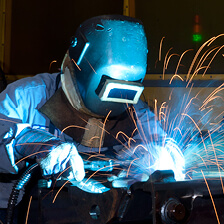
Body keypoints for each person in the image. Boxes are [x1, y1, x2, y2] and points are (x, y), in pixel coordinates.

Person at [0, 15, 185, 222]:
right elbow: (2, 128)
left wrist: (162, 153)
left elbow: (158, 140)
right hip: (20, 212)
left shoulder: (135, 110)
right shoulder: (27, 96)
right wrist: (38, 145)